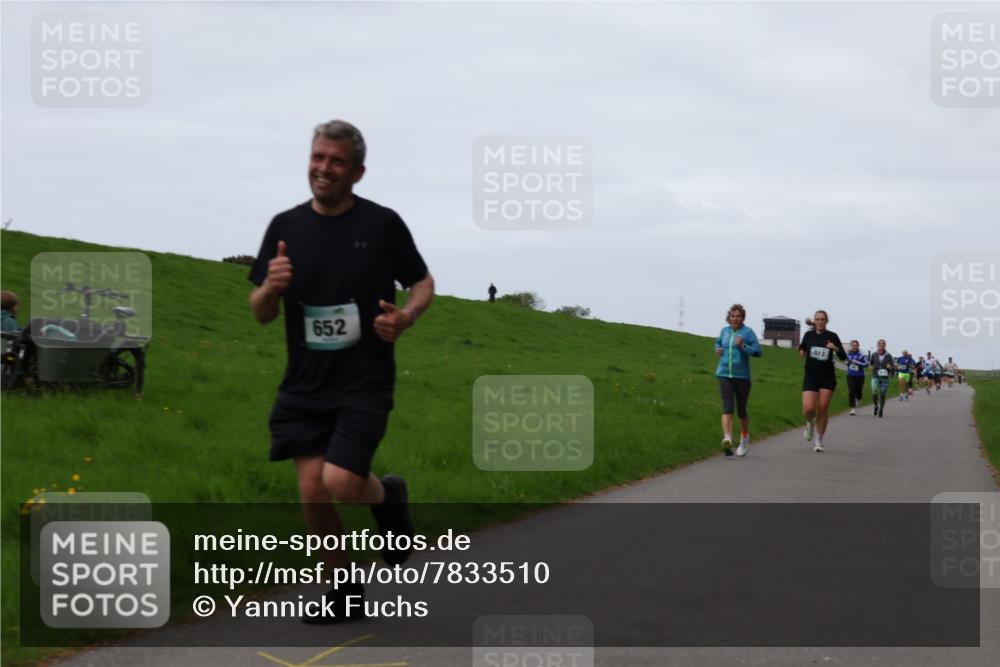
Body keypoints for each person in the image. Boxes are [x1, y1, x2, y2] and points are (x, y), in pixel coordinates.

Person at [249, 120, 435, 624]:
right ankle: (343, 588)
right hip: (304, 382)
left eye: (335, 161)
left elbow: (421, 282)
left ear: (357, 171)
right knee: (312, 489)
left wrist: (407, 316)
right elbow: (261, 312)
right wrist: (270, 287)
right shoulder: (284, 227)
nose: (323, 168)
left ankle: (387, 495)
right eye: (317, 157)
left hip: (364, 380)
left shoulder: (381, 224)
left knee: (343, 484)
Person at [714, 304, 762, 457]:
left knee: (741, 411)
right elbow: (718, 343)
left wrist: (743, 346)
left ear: (742, 318)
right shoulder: (725, 331)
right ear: (729, 317)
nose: (735, 319)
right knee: (728, 407)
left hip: (742, 377)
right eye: (733, 316)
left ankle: (744, 438)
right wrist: (717, 349)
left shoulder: (747, 332)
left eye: (738, 316)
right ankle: (727, 438)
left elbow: (758, 352)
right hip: (724, 374)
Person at [798, 310, 847, 452]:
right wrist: (801, 352)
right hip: (811, 376)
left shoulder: (832, 336)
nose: (820, 321)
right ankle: (809, 423)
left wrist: (835, 348)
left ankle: (819, 440)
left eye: (822, 319)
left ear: (826, 321)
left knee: (823, 407)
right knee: (808, 409)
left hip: (827, 376)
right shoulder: (808, 335)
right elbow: (802, 349)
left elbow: (843, 357)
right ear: (815, 321)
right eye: (818, 319)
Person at [868, 339, 896, 418]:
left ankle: (881, 409)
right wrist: (871, 367)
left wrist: (890, 367)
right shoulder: (874, 354)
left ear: (885, 346)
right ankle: (876, 405)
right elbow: (870, 364)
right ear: (877, 345)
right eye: (879, 345)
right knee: (874, 391)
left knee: (883, 394)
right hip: (875, 376)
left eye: (882, 345)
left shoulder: (888, 356)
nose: (881, 346)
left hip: (884, 378)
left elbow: (893, 367)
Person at [845, 340, 868, 415]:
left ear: (858, 346)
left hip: (859, 376)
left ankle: (859, 398)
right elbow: (847, 362)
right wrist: (847, 363)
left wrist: (858, 362)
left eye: (856, 345)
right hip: (850, 375)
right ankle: (852, 409)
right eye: (853, 345)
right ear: (851, 346)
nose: (854, 347)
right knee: (851, 391)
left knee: (859, 391)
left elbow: (866, 364)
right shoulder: (849, 354)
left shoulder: (862, 355)